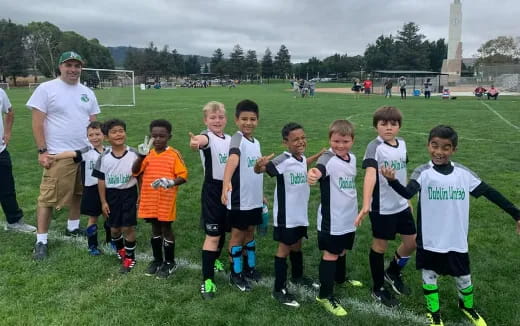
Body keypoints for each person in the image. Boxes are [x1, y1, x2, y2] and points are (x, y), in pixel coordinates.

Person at [380, 125, 520, 326]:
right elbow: (407, 194)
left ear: (454, 149)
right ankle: (434, 314)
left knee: (464, 277)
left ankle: (467, 307)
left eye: (446, 147)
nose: (439, 152)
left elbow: (491, 193)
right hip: (430, 240)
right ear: (428, 145)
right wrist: (392, 181)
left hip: (456, 239)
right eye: (434, 146)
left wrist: (516, 214)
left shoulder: (463, 174)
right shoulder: (423, 172)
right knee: (429, 277)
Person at [27, 51, 100, 260]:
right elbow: (37, 122)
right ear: (60, 67)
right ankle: (41, 240)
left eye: (77, 66)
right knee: (48, 198)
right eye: (69, 65)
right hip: (58, 153)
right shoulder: (46, 89)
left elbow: (93, 123)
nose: (73, 70)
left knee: (79, 193)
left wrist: (95, 147)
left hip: (84, 153)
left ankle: (73, 227)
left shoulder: (87, 92)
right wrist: (43, 151)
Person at [254, 122, 324, 308]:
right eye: (295, 140)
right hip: (286, 216)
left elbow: (302, 164)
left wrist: (317, 156)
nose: (301, 142)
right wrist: (258, 166)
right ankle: (279, 289)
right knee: (284, 249)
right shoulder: (283, 159)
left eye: (303, 138)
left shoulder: (300, 157)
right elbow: (264, 169)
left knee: (297, 244)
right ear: (286, 142)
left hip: (300, 213)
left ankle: (298, 276)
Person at [355, 106, 416, 308]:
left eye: (393, 124)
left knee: (412, 242)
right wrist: (366, 204)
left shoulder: (402, 145)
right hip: (382, 208)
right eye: (384, 124)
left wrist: (407, 199)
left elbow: (402, 172)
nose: (389, 128)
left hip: (401, 204)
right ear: (376, 127)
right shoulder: (375, 147)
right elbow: (370, 175)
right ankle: (378, 287)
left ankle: (392, 272)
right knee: (380, 246)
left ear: (399, 126)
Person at [307, 120, 359, 317]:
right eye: (336, 141)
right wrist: (313, 175)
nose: (340, 145)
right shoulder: (328, 158)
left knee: (343, 250)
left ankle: (340, 278)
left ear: (352, 141)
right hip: (332, 219)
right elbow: (317, 171)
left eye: (345, 141)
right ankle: (324, 295)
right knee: (331, 254)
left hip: (349, 216)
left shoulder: (351, 158)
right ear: (330, 140)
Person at [133, 119, 188, 279]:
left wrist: (171, 182)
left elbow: (183, 175)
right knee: (155, 229)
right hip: (149, 198)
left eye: (161, 136)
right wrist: (140, 157)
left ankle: (170, 262)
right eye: (154, 136)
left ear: (169, 137)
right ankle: (157, 260)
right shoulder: (147, 154)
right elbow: (135, 172)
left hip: (166, 199)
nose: (157, 139)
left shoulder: (174, 154)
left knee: (166, 228)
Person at [221, 99, 266, 292]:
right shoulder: (237, 138)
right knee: (238, 234)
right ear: (236, 120)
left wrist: (262, 195)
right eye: (244, 119)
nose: (248, 123)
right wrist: (225, 183)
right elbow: (233, 158)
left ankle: (250, 268)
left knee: (250, 232)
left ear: (257, 120)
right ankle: (236, 273)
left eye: (252, 119)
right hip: (239, 198)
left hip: (254, 198)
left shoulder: (256, 142)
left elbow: (255, 170)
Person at [188, 101, 231, 299]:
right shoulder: (208, 137)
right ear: (206, 120)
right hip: (213, 191)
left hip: (230, 189)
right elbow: (201, 140)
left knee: (223, 230)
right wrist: (196, 141)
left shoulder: (231, 139)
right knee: (212, 235)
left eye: (221, 117)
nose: (217, 120)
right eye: (213, 118)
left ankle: (214, 259)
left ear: (226, 119)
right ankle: (208, 281)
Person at [50, 121, 111, 255]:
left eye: (97, 134)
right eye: (91, 135)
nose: (94, 137)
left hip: (108, 189)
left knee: (109, 216)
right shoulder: (87, 151)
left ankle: (110, 241)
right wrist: (54, 157)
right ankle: (92, 246)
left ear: (104, 136)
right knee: (93, 218)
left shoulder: (109, 151)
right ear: (87, 137)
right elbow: (70, 153)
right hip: (91, 190)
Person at [93, 119, 140, 273]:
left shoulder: (134, 154)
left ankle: (130, 257)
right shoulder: (104, 157)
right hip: (111, 195)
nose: (118, 134)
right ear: (107, 137)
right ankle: (120, 250)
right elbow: (101, 180)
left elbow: (140, 176)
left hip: (129, 193)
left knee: (128, 226)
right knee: (114, 229)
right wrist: (103, 201)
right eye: (114, 132)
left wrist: (141, 195)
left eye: (121, 130)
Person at [0, 88, 36, 233]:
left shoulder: (1, 92)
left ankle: (14, 221)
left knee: (7, 188)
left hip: (0, 151)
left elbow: (9, 111)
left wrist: (7, 133)